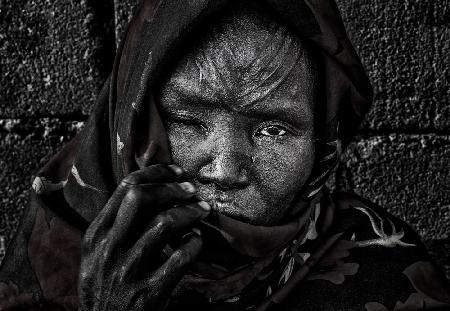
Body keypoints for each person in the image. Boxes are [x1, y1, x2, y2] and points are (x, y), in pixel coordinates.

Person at [0, 0, 449, 310]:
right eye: (188, 121)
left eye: (274, 129)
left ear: (323, 145)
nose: (225, 170)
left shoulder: (390, 281)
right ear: (128, 124)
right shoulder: (53, 255)